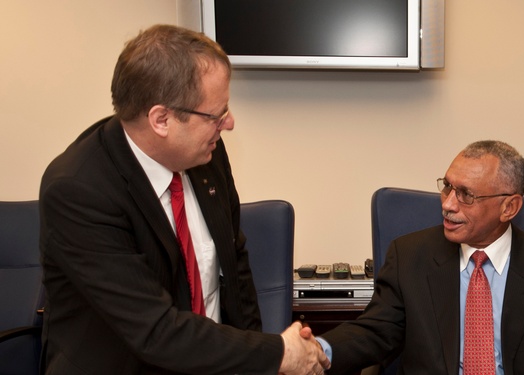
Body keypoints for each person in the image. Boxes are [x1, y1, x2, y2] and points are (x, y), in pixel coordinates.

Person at [39, 24, 329, 374]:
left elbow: (233, 265)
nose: (229, 123)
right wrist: (278, 354)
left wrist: (258, 359)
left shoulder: (205, 153)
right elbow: (156, 330)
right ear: (161, 119)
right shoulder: (79, 191)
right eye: (216, 114)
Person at [318, 140, 524, 374]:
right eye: (447, 187)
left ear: (509, 207)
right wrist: (317, 351)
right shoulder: (409, 258)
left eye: (466, 195)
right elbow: (375, 332)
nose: (448, 204)